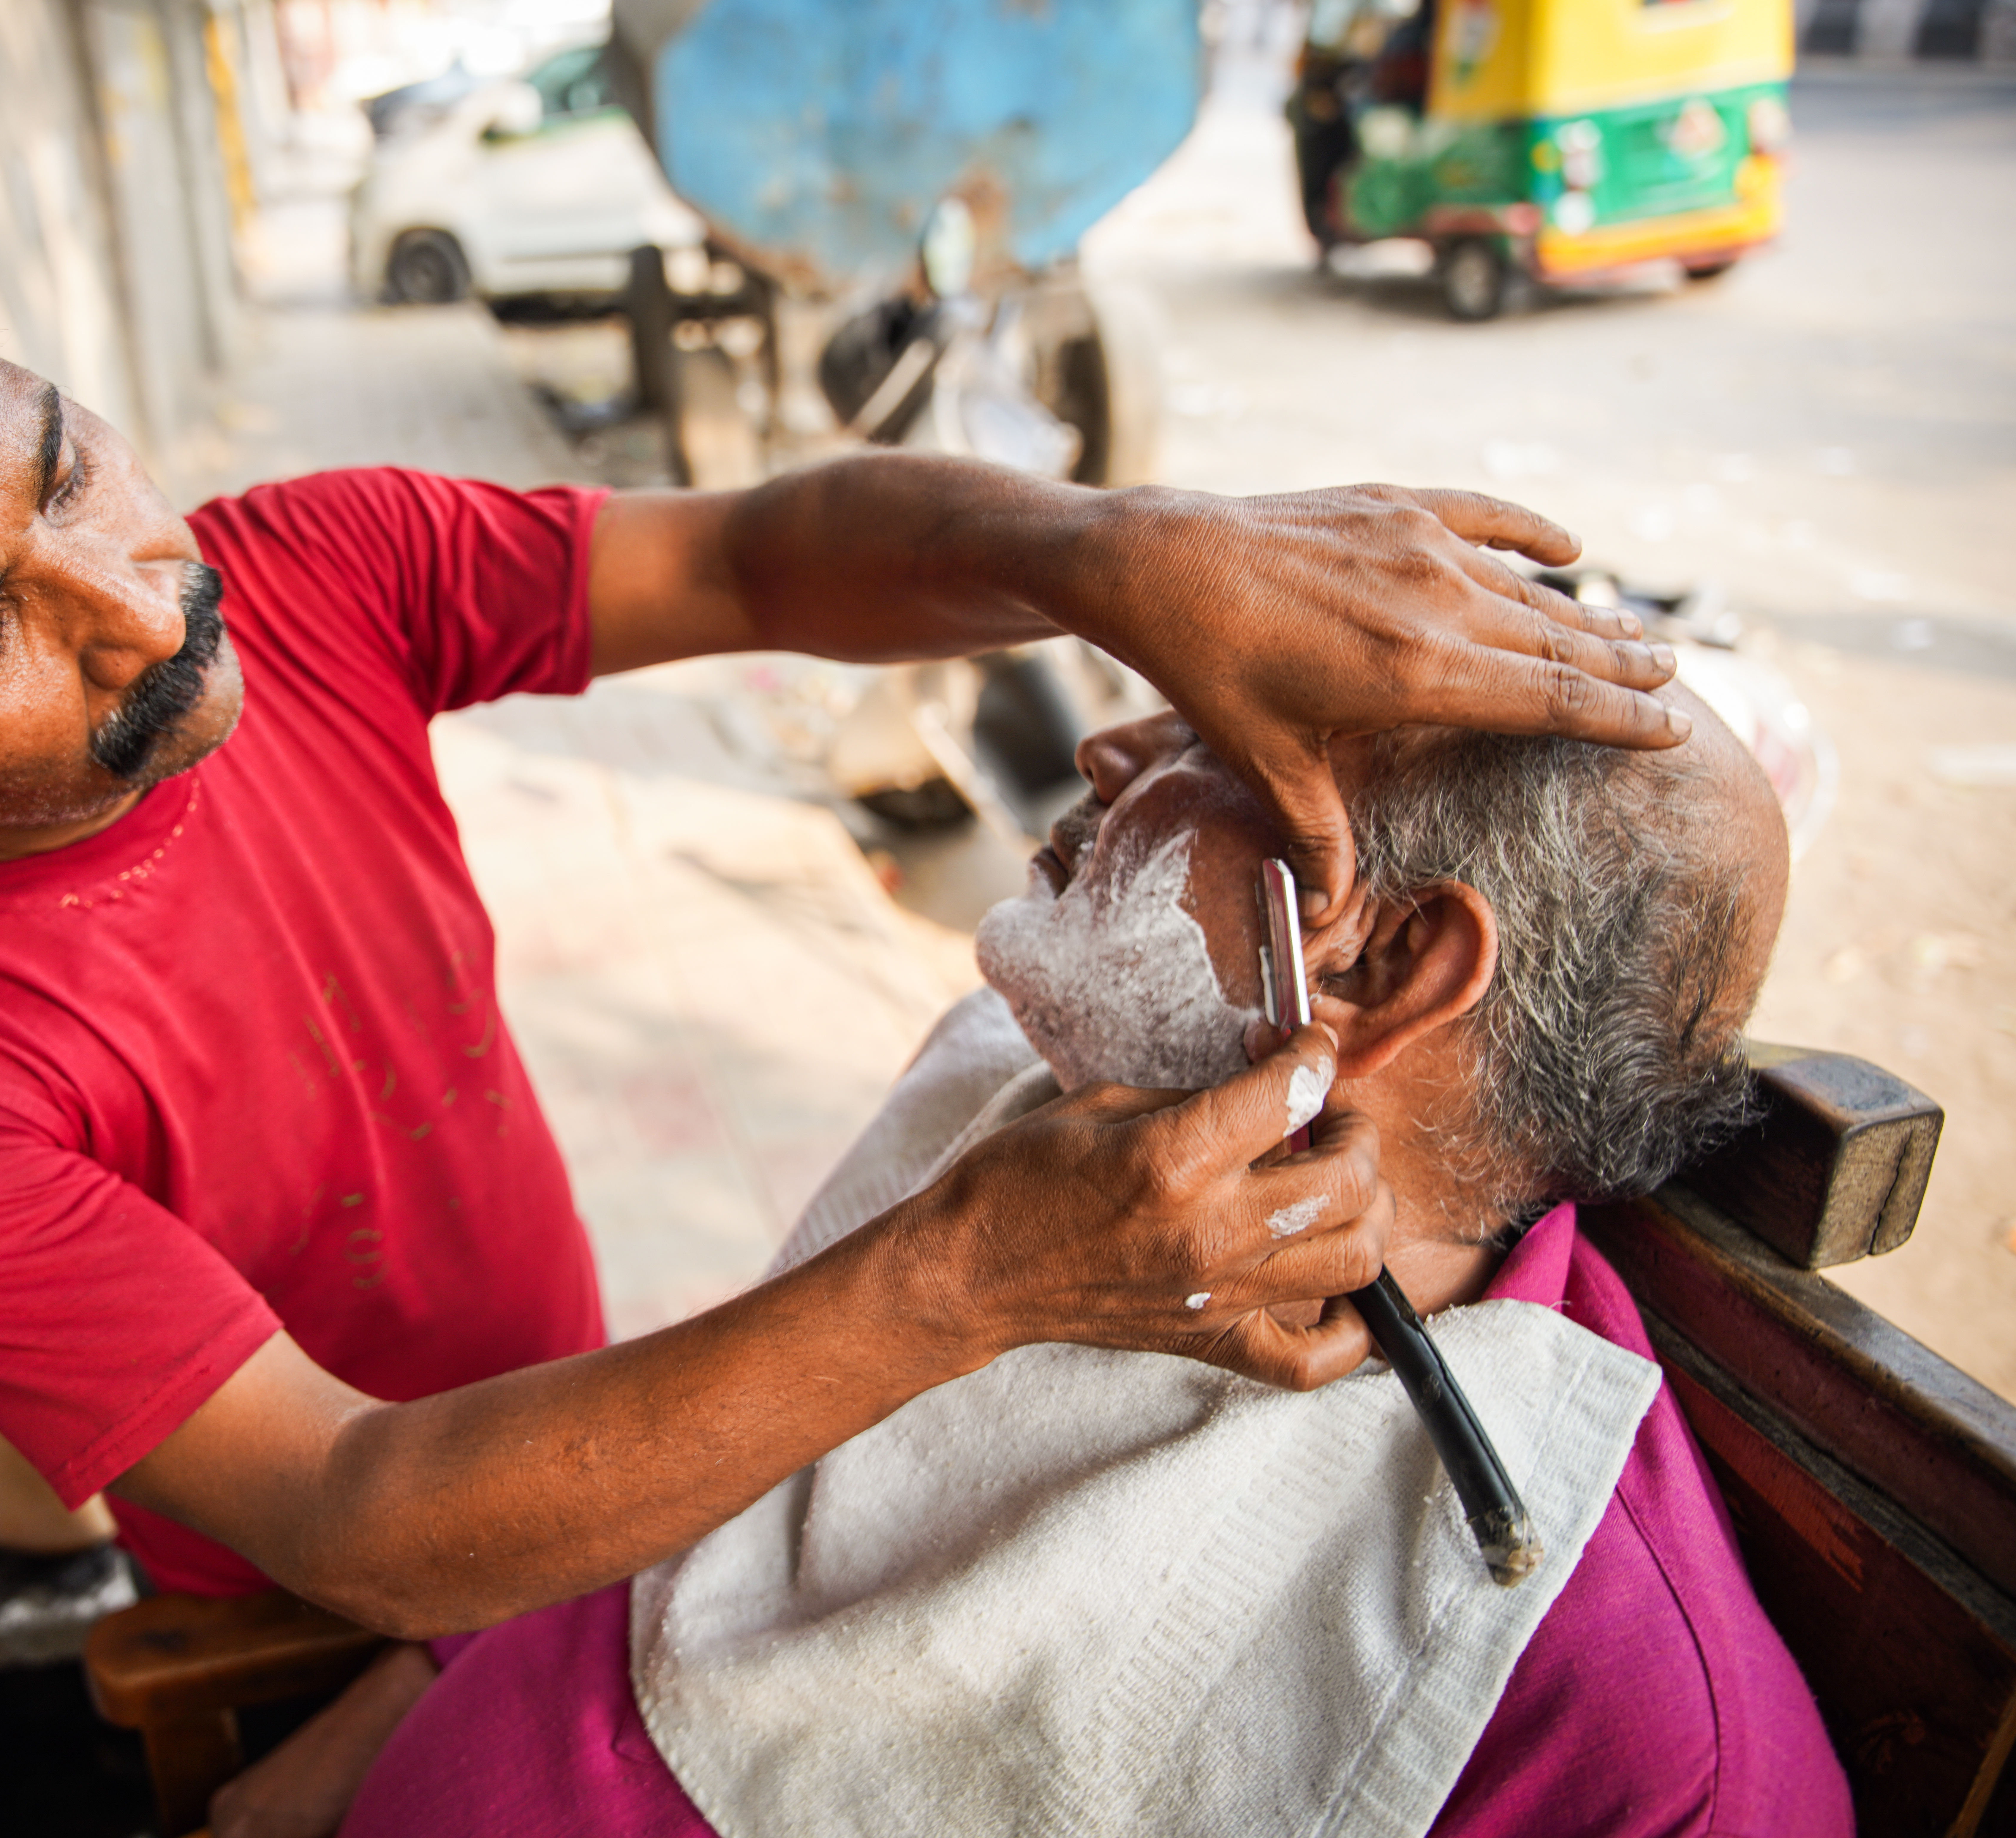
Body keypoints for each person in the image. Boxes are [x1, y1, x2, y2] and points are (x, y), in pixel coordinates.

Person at [0, 135, 1694, 1831]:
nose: (133, 598)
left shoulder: (305, 568)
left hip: (651, 1471)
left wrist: (1115, 555)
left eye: (67, 469)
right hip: (375, 1591)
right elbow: (371, 1512)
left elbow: (776, 548)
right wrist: (968, 1274)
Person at [330, 692, 1849, 1838]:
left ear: (1382, 965)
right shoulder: (1004, 1086)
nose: (1105, 750)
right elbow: (716, 1489)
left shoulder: (1603, 1690)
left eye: (1214, 738)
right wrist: (416, 1680)